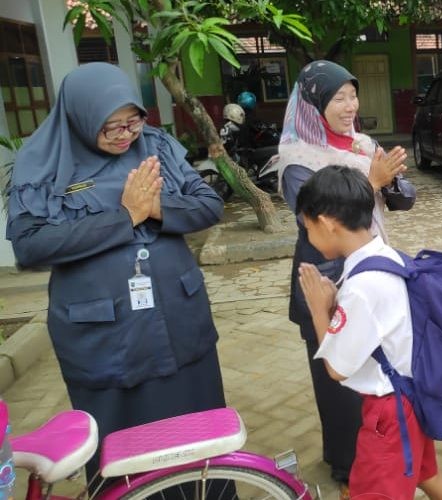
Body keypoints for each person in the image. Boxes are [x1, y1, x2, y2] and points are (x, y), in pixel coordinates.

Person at [4, 63, 227, 488]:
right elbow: (31, 245)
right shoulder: (44, 163)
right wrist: (124, 217)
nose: (126, 135)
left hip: (179, 320)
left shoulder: (155, 145)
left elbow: (208, 204)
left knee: (196, 431)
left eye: (133, 121)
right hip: (106, 337)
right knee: (124, 447)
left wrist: (157, 208)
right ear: (82, 118)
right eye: (112, 127)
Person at [273, 59, 409, 493]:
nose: (351, 106)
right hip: (325, 276)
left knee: (372, 371)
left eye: (353, 96)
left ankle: (375, 452)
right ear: (313, 106)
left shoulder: (362, 144)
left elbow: (398, 201)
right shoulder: (296, 160)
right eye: (339, 98)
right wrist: (372, 180)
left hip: (369, 269)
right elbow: (319, 217)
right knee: (337, 379)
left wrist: (393, 182)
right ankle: (347, 463)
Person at [295, 165, 442, 500]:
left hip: (388, 415)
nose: (308, 237)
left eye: (307, 227)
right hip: (411, 399)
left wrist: (318, 309)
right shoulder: (384, 255)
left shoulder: (362, 287)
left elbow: (337, 368)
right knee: (428, 475)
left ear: (326, 222)